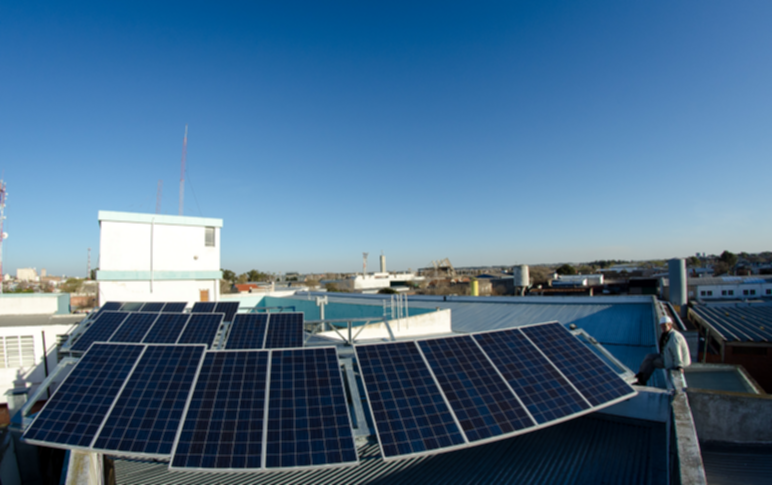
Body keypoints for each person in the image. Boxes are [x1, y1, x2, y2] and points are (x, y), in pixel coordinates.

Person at [635, 315, 691, 386]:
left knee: (652, 363)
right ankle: (640, 374)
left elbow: (677, 353)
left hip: (673, 362)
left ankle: (642, 381)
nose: (663, 328)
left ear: (670, 325)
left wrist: (679, 366)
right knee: (649, 356)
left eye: (665, 326)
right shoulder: (667, 334)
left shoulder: (674, 337)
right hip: (667, 356)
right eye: (662, 326)